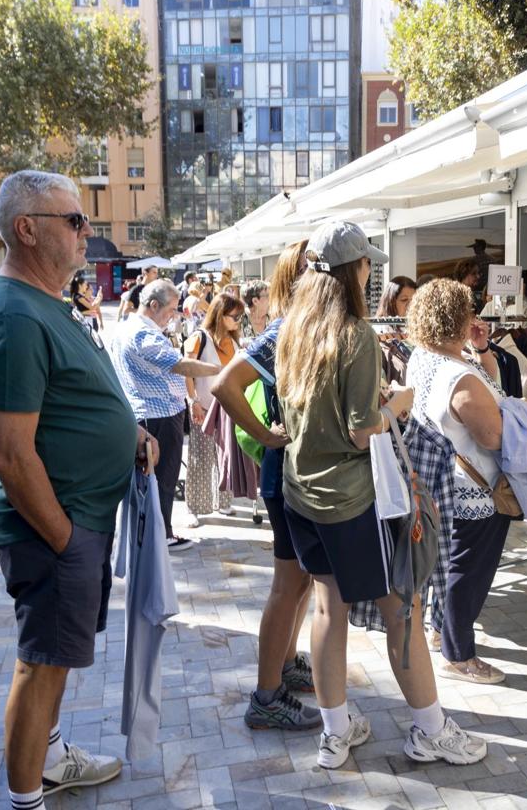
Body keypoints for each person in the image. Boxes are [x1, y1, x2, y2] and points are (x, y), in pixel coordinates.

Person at [0, 170, 158, 810]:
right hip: (56, 527)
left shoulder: (49, 302)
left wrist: (128, 431)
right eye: (74, 221)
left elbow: (78, 393)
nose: (87, 233)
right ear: (27, 229)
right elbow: (11, 455)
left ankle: (48, 760)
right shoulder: (15, 316)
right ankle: (26, 799)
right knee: (41, 665)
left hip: (78, 521)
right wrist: (65, 537)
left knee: (55, 663)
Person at [277, 220, 486, 769]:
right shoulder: (355, 335)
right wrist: (397, 403)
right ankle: (430, 729)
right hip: (350, 499)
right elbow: (361, 430)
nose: (371, 271)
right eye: (367, 263)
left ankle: (335, 730)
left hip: (302, 491)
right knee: (404, 612)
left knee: (327, 609)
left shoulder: (294, 329)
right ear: (355, 271)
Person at [212, 241, 319, 731]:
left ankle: (285, 665)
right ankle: (266, 694)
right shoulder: (281, 331)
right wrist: (264, 435)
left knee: (299, 582)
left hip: (296, 476)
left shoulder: (297, 328)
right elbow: (224, 386)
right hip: (285, 478)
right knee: (288, 583)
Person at [406, 279, 512, 685]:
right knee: (469, 571)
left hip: (441, 482)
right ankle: (459, 655)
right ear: (457, 317)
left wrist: (482, 352)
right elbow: (491, 436)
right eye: (469, 310)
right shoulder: (457, 374)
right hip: (476, 488)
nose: (475, 316)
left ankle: (440, 632)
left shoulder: (422, 358)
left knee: (448, 565)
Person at [109, 279, 221, 552]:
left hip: (146, 415)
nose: (175, 315)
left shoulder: (126, 328)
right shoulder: (142, 334)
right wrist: (220, 370)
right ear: (154, 305)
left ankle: (153, 532)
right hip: (157, 416)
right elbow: (179, 364)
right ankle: (162, 534)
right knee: (162, 480)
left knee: (152, 480)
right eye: (172, 309)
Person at [183, 293, 246, 527]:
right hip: (205, 406)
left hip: (229, 407)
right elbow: (187, 371)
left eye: (240, 316)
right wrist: (193, 401)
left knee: (226, 457)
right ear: (221, 316)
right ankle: (194, 507)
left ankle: (224, 500)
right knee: (201, 458)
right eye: (235, 316)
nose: (239, 321)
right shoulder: (199, 337)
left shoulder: (235, 340)